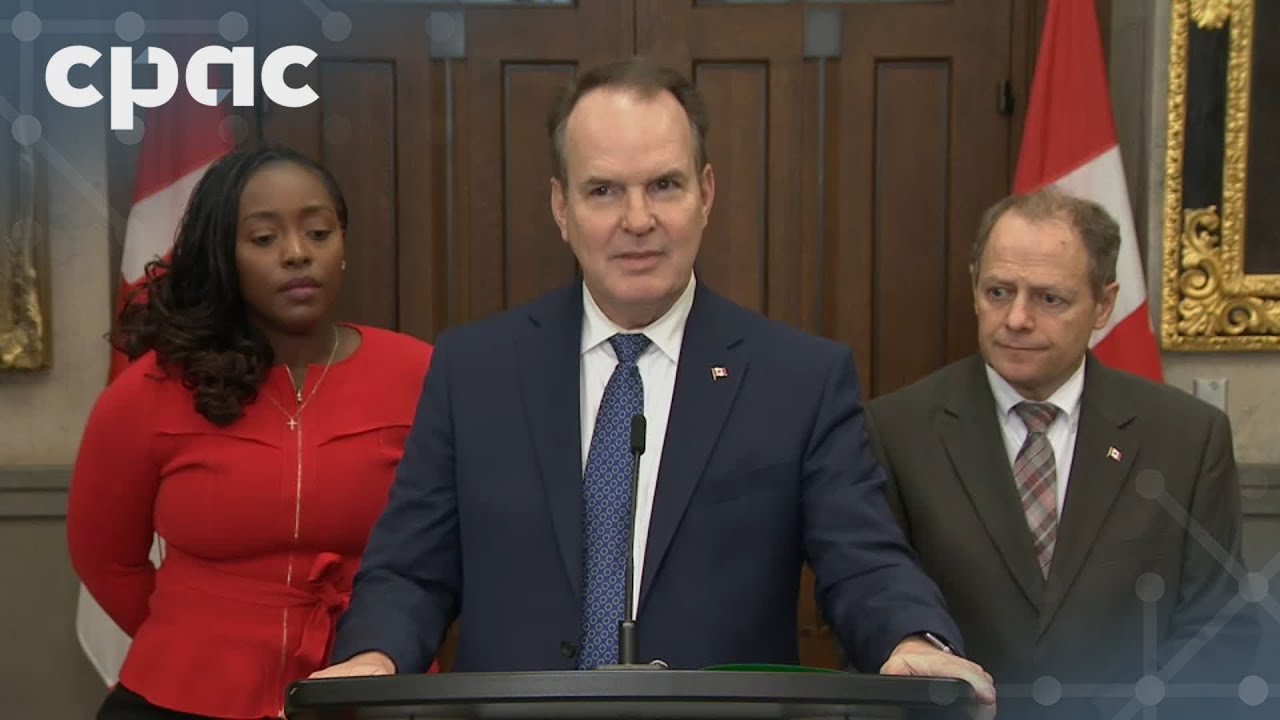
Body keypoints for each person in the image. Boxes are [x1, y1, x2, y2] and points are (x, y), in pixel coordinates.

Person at [311, 58, 996, 708]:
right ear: (560, 207)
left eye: (663, 185)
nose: (637, 220)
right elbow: (410, 571)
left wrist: (912, 639)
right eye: (604, 190)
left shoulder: (799, 379)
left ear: (706, 193)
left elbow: (865, 560)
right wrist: (375, 657)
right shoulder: (473, 371)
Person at [66, 145, 434, 720]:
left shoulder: (421, 374)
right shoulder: (151, 390)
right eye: (264, 239)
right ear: (224, 256)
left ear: (342, 246)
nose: (296, 254)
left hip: (369, 690)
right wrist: (202, 633)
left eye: (318, 232)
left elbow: (449, 550)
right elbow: (105, 559)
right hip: (185, 694)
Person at [865, 188, 1258, 720]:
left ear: (1103, 305)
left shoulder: (1187, 438)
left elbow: (1218, 633)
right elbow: (876, 610)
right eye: (999, 292)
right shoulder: (897, 429)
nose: (1018, 319)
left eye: (1050, 299)